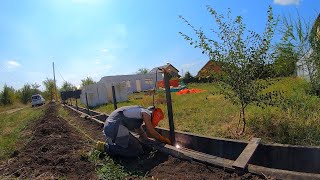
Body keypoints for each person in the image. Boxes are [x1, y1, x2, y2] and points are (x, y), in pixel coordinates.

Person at [96, 105, 171, 157]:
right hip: (115, 127)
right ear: (152, 114)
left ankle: (112, 141)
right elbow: (152, 131)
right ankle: (106, 147)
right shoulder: (146, 113)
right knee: (137, 151)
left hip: (110, 127)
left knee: (138, 144)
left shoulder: (138, 113)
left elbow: (141, 133)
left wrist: (147, 141)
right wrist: (164, 140)